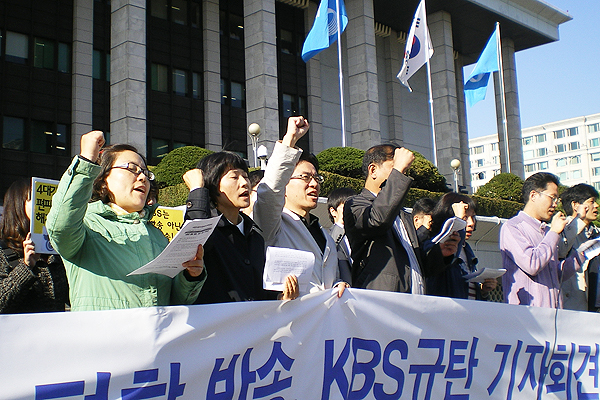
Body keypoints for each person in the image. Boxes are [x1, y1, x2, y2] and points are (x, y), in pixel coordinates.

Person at [46, 131, 206, 311]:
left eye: (146, 173)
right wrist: (86, 162)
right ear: (103, 180)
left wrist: (191, 276)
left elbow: (175, 301)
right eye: (132, 168)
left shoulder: (158, 235)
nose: (142, 177)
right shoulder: (87, 225)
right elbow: (61, 227)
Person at [343, 144, 459, 294]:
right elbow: (377, 220)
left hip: (413, 300)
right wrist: (398, 170)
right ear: (373, 170)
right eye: (395, 168)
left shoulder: (402, 215)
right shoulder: (355, 204)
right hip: (381, 299)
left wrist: (440, 253)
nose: (401, 174)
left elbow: (416, 265)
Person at [183, 152, 297, 303]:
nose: (244, 183)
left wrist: (280, 297)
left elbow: (257, 289)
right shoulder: (210, 230)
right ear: (212, 184)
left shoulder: (254, 235)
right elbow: (193, 241)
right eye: (234, 177)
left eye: (245, 176)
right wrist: (197, 190)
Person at [252, 116, 347, 297]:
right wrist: (290, 139)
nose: (314, 184)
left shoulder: (325, 235)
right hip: (288, 314)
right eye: (305, 177)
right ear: (285, 184)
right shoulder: (273, 225)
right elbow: (270, 190)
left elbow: (326, 278)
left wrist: (338, 285)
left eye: (316, 178)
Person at [500, 172, 584, 308]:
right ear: (533, 195)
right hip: (528, 313)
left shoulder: (546, 230)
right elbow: (532, 264)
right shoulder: (513, 227)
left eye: (557, 200)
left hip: (553, 313)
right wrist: (554, 233)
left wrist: (580, 257)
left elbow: (553, 273)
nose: (555, 204)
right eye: (552, 198)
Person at [0, 179, 69, 313]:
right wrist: (26, 267)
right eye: (34, 198)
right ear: (18, 204)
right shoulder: (4, 252)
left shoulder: (54, 252)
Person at [425, 192, 497, 300]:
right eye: (465, 217)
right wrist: (457, 220)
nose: (471, 223)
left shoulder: (466, 249)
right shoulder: (434, 244)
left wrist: (482, 291)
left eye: (473, 217)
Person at [559, 184, 600, 311]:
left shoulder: (596, 233)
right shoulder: (562, 232)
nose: (596, 205)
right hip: (574, 305)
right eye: (591, 202)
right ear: (575, 205)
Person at [327, 187, 357, 285]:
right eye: (347, 206)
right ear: (333, 211)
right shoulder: (327, 236)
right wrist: (341, 222)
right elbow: (328, 249)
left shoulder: (360, 236)